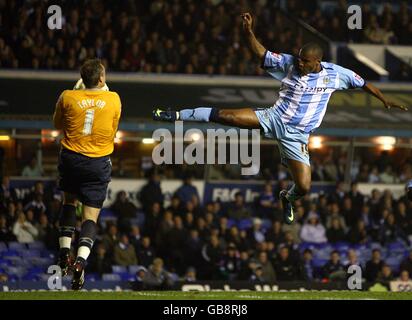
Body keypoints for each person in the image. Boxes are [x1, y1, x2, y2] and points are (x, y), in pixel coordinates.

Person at [152, 12, 407, 225]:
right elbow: (261, 53)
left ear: (316, 61)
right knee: (225, 116)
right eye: (298, 58)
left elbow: (363, 83)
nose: (299, 63)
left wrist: (384, 99)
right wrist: (249, 33)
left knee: (305, 187)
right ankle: (176, 114)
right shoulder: (289, 63)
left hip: (297, 136)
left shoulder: (337, 74)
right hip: (273, 118)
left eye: (304, 61)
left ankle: (287, 197)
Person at [53, 58, 122, 290]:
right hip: (98, 163)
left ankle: (64, 252)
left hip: (71, 158)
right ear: (101, 79)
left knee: (69, 203)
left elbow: (57, 123)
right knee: (90, 217)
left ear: (82, 79)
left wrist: (76, 92)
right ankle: (80, 262)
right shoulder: (114, 99)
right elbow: (113, 130)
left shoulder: (67, 96)